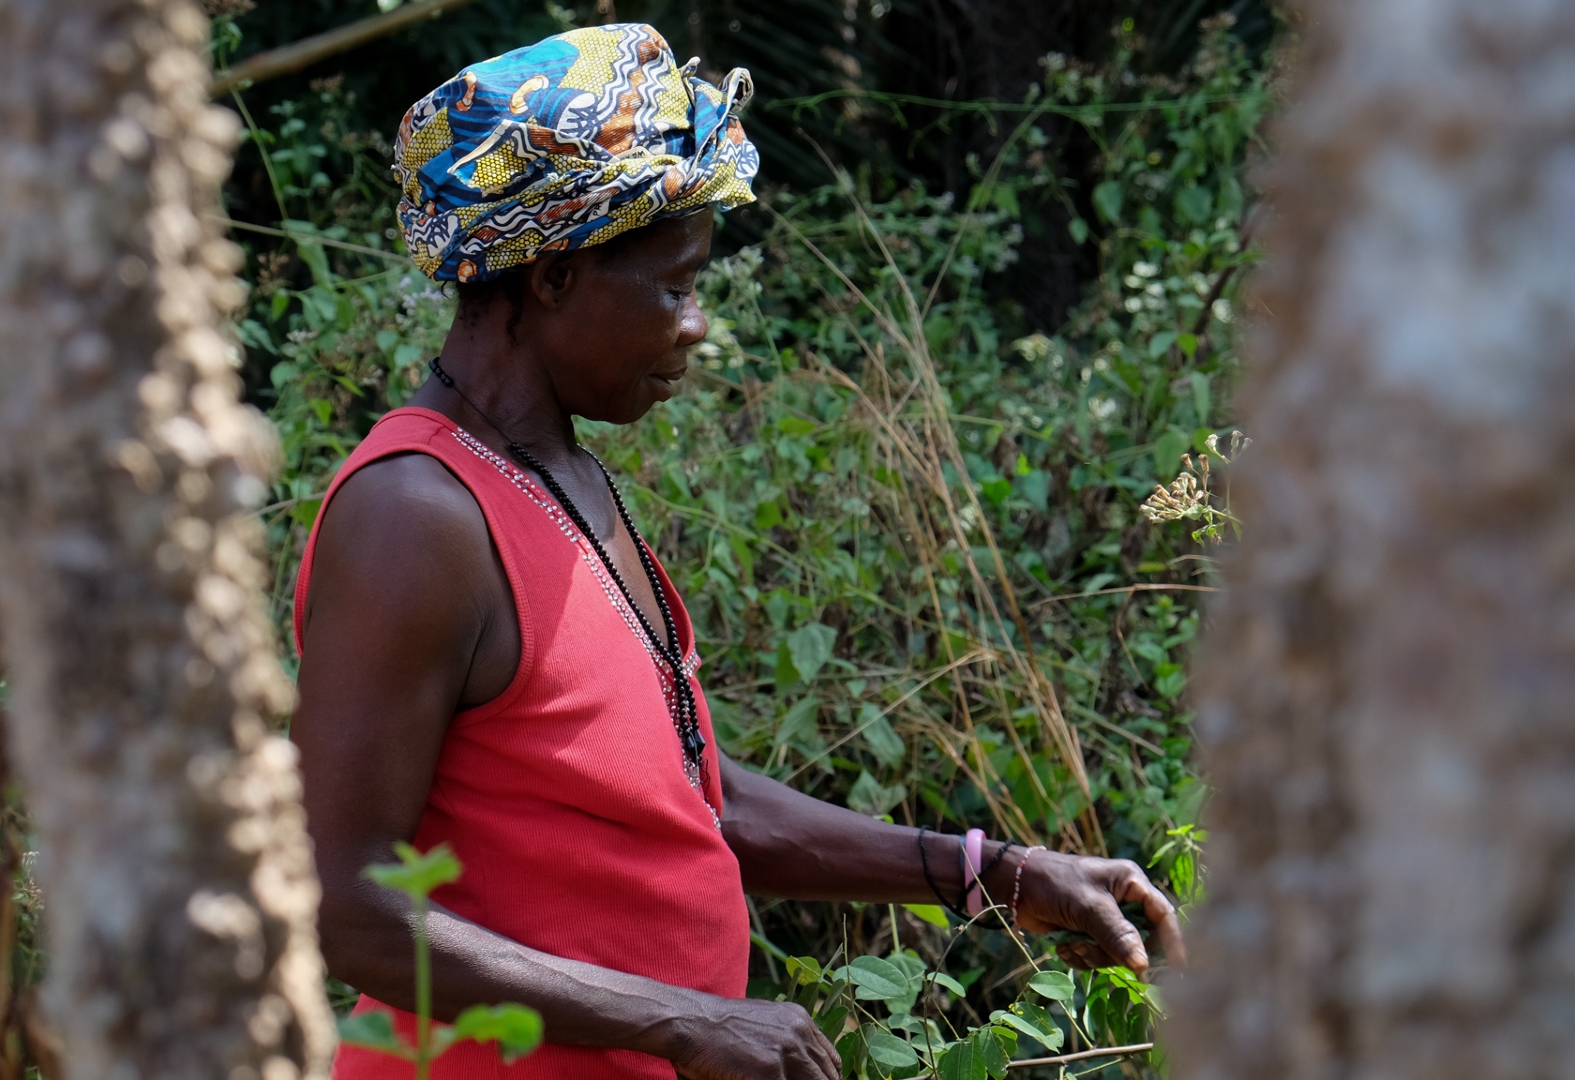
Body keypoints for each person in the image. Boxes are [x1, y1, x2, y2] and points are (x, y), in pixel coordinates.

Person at [291, 23, 1183, 1080]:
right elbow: (341, 904)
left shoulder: (563, 475)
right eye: (674, 288)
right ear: (555, 276)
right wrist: (681, 1019)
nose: (698, 326)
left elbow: (691, 798)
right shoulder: (415, 515)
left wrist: (992, 873)